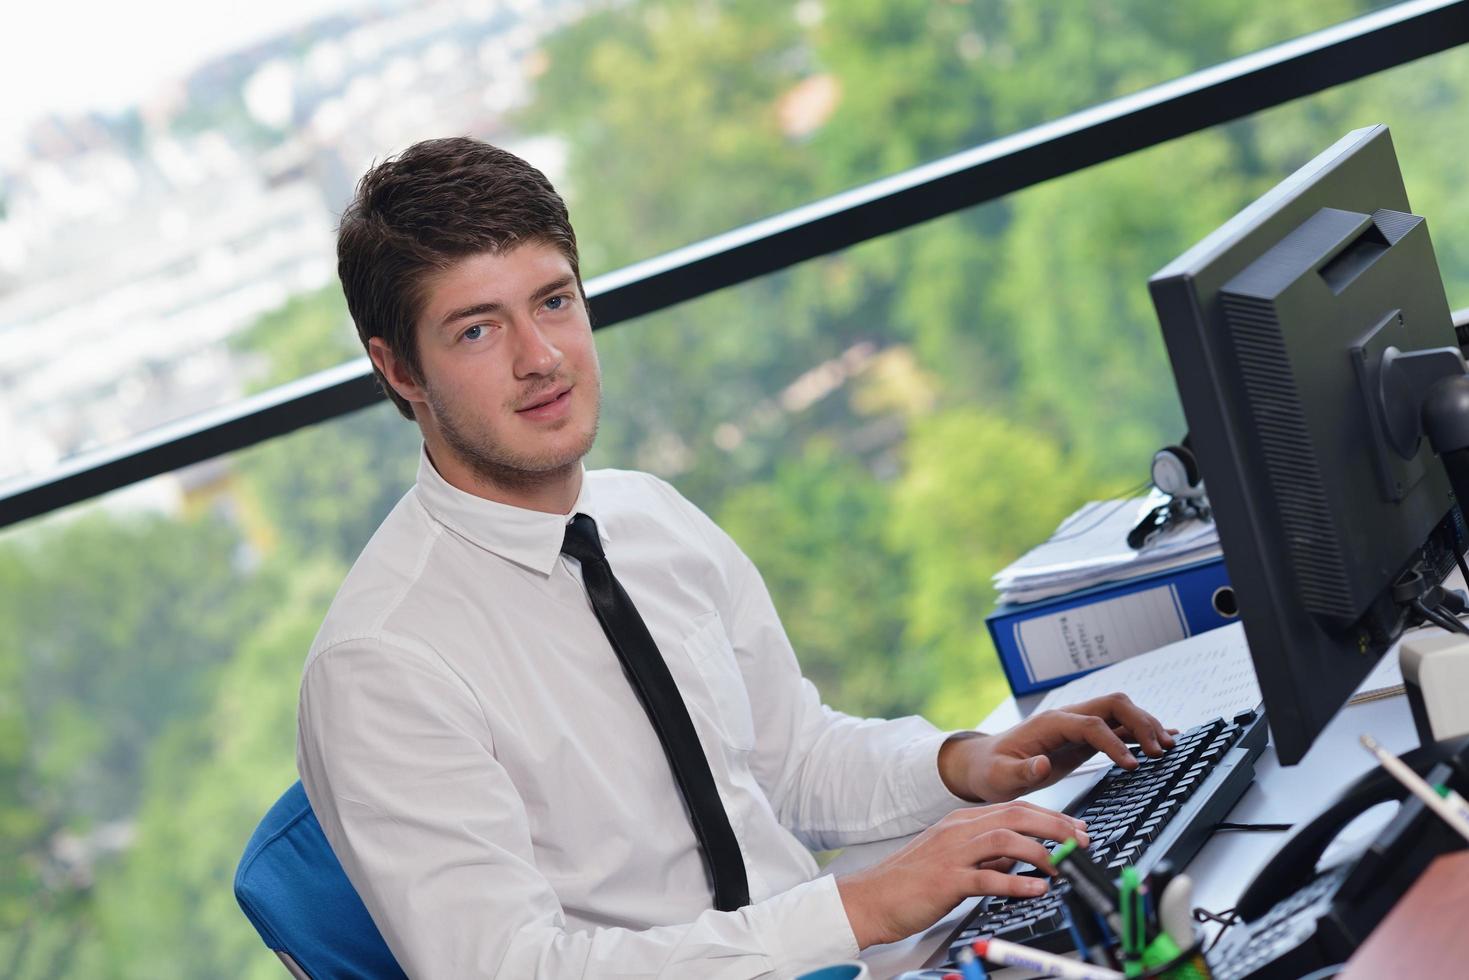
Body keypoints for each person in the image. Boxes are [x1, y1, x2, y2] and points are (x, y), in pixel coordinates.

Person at [298, 136, 1175, 978]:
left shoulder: (649, 519)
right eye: (478, 331)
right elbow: (517, 971)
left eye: (554, 301)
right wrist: (862, 908)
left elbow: (785, 759)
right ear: (399, 369)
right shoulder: (382, 666)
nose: (542, 358)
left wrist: (967, 765)